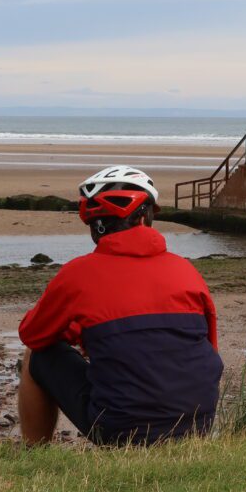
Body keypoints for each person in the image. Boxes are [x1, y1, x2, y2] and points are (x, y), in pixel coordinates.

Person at [17, 166, 223, 446]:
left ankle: (34, 454)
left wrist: (79, 330)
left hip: (121, 433)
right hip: (198, 425)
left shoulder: (77, 275)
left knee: (36, 356)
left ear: (94, 225)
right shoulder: (186, 271)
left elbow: (32, 335)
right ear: (145, 217)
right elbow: (209, 347)